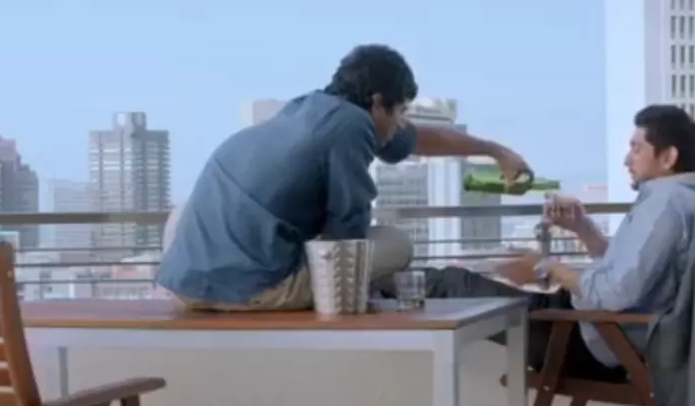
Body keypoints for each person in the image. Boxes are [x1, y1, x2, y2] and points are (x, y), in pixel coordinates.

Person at [156, 43, 533, 311]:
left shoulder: (308, 109)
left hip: (184, 284)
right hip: (254, 290)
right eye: (401, 110)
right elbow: (348, 232)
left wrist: (493, 150)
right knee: (397, 244)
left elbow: (418, 138)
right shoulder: (352, 126)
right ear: (377, 102)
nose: (402, 121)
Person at [428, 104, 695, 382]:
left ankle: (397, 290)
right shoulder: (683, 200)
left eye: (637, 149)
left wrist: (548, 268)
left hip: (593, 339)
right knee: (461, 284)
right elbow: (631, 273)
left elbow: (617, 292)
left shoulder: (665, 205)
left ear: (668, 157)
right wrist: (584, 229)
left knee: (452, 283)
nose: (627, 160)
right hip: (595, 326)